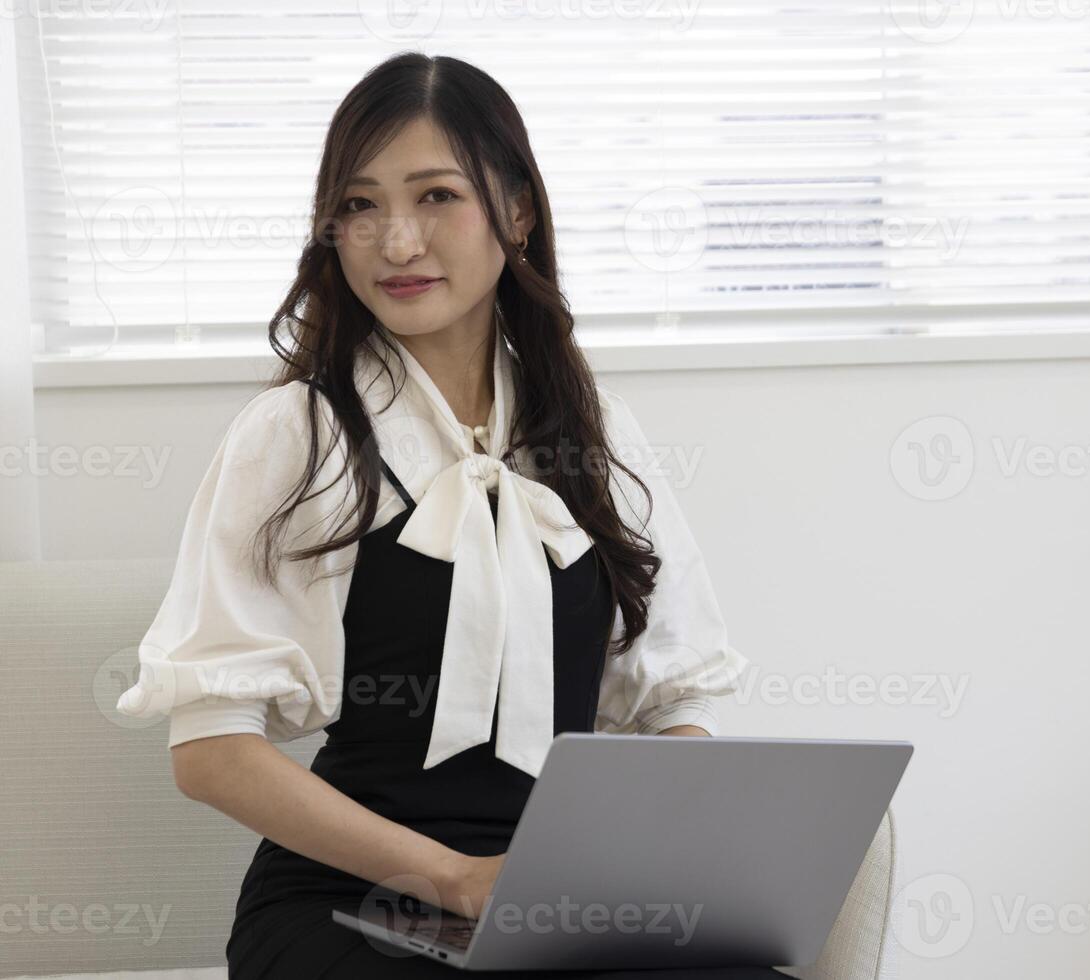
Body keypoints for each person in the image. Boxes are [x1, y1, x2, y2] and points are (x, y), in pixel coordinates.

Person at [113, 51, 781, 979]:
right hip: (345, 902)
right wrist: (460, 880)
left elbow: (676, 695)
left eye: (436, 197)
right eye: (359, 205)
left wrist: (643, 858)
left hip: (550, 894)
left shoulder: (594, 430)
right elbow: (212, 751)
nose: (395, 243)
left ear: (516, 210)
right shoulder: (295, 434)